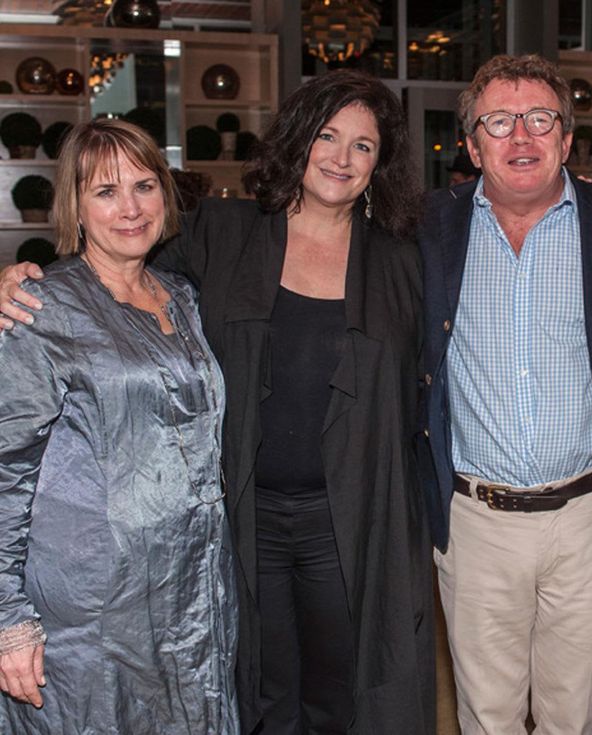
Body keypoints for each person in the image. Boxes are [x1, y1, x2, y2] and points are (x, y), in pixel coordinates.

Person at [0, 71, 433, 735]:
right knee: (256, 687)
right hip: (238, 525)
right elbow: (108, 266)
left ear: (382, 162)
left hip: (344, 524)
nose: (342, 158)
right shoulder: (224, 234)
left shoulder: (400, 262)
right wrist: (20, 276)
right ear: (298, 140)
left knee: (342, 692)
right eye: (326, 135)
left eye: (363, 145)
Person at [418, 54, 592, 733]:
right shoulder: (429, 229)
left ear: (568, 137)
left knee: (570, 714)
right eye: (498, 121)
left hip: (586, 519)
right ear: (471, 144)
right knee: (486, 715)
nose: (520, 137)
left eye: (539, 119)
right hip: (476, 522)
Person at [0, 119, 237, 733]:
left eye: (144, 185)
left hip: (193, 596)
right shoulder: (41, 307)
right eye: (105, 191)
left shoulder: (184, 297)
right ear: (75, 207)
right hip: (88, 613)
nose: (130, 208)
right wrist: (7, 618)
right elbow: (5, 469)